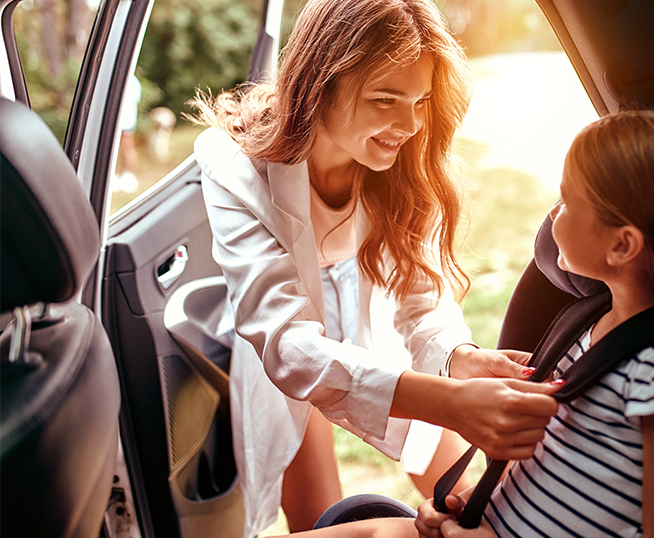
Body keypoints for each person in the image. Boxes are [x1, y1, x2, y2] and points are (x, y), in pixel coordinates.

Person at [188, 0, 561, 535]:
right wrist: (452, 402)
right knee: (317, 514)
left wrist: (459, 360)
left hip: (372, 294)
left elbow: (421, 297)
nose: (410, 124)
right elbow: (289, 344)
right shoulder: (232, 164)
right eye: (386, 98)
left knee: (462, 497)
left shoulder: (410, 160)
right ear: (319, 83)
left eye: (421, 100)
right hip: (289, 318)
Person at [288, 109, 654, 538]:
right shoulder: (582, 326)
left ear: (622, 246)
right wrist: (466, 500)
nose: (552, 214)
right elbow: (547, 463)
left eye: (567, 201)